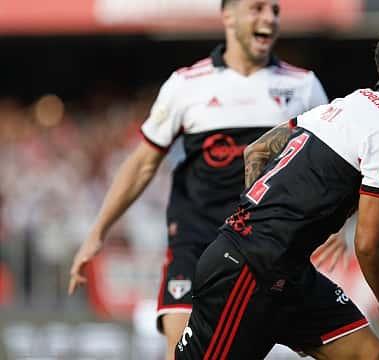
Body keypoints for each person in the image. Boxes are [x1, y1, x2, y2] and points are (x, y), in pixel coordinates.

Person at [174, 23, 379, 360]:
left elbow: (258, 151)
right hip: (246, 272)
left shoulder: (342, 106)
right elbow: (369, 243)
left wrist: (265, 213)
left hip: (288, 274)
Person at [67, 0, 328, 358]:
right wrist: (97, 232)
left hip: (267, 251)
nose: (269, 18)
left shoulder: (304, 86)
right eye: (257, 8)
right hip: (197, 242)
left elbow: (326, 165)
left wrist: (335, 229)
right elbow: (143, 163)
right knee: (182, 352)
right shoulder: (186, 85)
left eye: (275, 10)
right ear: (227, 15)